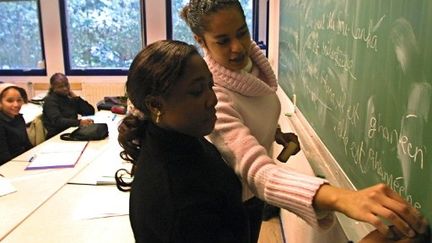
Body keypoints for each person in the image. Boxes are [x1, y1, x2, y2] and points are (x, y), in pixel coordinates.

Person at [180, 0, 429, 242]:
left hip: (253, 199)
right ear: (200, 41)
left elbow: (253, 112)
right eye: (223, 41)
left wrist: (275, 133)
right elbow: (255, 169)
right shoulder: (214, 94)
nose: (237, 47)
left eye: (242, 32)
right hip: (230, 202)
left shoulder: (253, 67)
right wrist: (342, 199)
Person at [115, 40, 250, 243]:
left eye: (210, 85)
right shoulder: (178, 203)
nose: (213, 99)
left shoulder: (184, 139)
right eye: (196, 91)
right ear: (155, 105)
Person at [42, 73, 95, 139]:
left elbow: (90, 111)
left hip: (71, 131)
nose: (65, 88)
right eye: (60, 87)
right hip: (57, 136)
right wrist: (79, 122)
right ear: (53, 88)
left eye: (67, 85)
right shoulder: (50, 101)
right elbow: (58, 121)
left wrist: (76, 97)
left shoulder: (68, 98)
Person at [0, 83, 33, 165]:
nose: (16, 104)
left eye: (19, 100)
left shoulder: (19, 118)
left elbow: (27, 144)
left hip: (22, 161)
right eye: (10, 101)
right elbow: (4, 158)